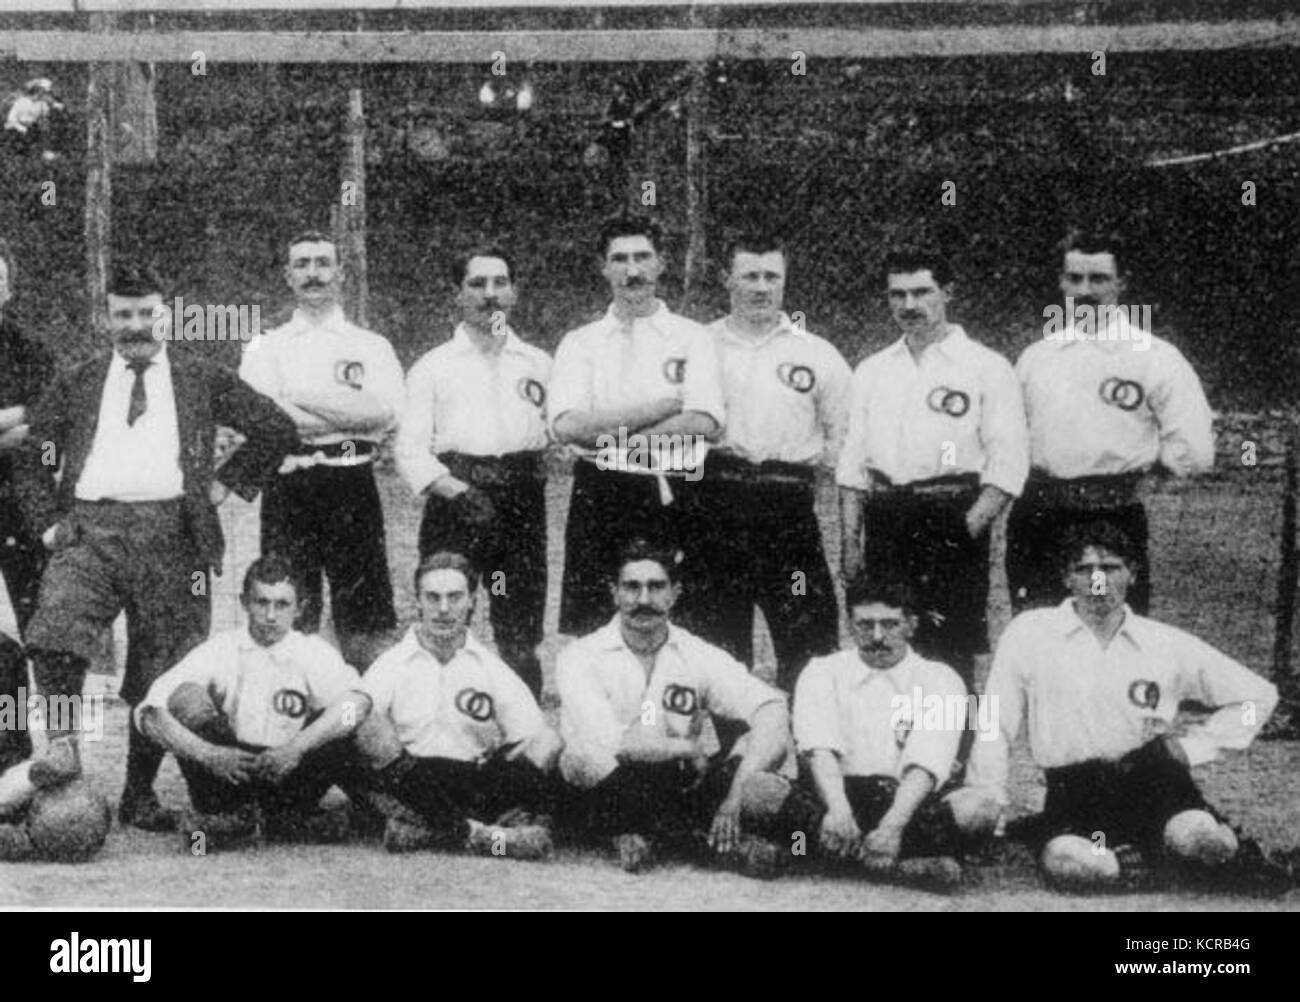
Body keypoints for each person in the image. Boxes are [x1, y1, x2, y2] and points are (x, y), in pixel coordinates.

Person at [13, 261, 297, 832]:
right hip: (89, 531)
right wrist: (47, 524)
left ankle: (138, 793)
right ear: (106, 318)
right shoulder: (79, 378)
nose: (136, 326)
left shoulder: (200, 375)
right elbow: (34, 452)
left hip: (174, 536)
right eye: (124, 315)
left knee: (161, 667)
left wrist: (223, 483)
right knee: (55, 635)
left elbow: (275, 428)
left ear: (165, 315)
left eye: (147, 314)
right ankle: (64, 751)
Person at [962, 521, 1293, 893]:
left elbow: (1257, 697)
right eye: (1084, 570)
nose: (1098, 581)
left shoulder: (1163, 643)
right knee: (1081, 867)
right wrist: (988, 795)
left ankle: (1193, 852)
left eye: (1111, 569)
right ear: (1065, 578)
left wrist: (1194, 747)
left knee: (1206, 841)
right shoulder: (1031, 633)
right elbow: (995, 721)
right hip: (1078, 797)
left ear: (1133, 574)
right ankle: (1140, 860)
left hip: (1154, 785)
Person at [837, 248, 1028, 688]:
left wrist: (965, 530)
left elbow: (1008, 463)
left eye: (922, 292)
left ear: (948, 293)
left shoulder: (986, 367)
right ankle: (887, 750)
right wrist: (850, 543)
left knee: (949, 647)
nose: (909, 305)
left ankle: (952, 754)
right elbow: (852, 465)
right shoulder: (872, 370)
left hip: (951, 515)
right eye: (897, 295)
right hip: (886, 518)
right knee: (883, 641)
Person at [557, 538, 794, 875]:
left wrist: (736, 795)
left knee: (762, 748)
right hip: (610, 787)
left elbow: (771, 706)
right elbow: (613, 743)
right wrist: (684, 746)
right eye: (631, 587)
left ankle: (649, 835)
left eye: (656, 587)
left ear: (675, 592)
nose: (643, 600)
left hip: (677, 783)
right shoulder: (580, 656)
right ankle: (705, 844)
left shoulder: (695, 651)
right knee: (581, 756)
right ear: (614, 592)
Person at [1008, 228, 1214, 614]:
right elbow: (1010, 438)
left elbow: (1193, 447)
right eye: (1074, 278)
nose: (1086, 290)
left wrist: (1144, 477)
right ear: (1061, 283)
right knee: (1037, 633)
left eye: (1099, 278)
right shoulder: (1035, 358)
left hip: (1111, 517)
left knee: (1109, 628)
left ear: (1121, 282)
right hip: (1039, 517)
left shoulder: (1155, 357)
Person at [549, 213, 725, 639]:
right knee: (596, 619)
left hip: (680, 486)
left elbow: (702, 419)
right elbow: (569, 425)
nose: (633, 270)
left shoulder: (693, 337)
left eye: (643, 257)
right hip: (602, 491)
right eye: (620, 259)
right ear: (603, 267)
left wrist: (610, 437)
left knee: (686, 619)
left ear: (662, 263)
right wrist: (661, 406)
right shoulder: (581, 342)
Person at [239, 231, 405, 669]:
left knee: (365, 614)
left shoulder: (371, 345)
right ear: (288, 276)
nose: (313, 273)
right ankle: (295, 715)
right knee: (292, 609)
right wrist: (345, 409)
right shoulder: (265, 345)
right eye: (302, 264)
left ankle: (362, 711)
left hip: (352, 480)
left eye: (322, 263)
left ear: (341, 273)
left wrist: (295, 396)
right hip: (290, 484)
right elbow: (263, 420)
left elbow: (383, 412)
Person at [696, 231, 849, 693]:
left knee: (808, 635)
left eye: (771, 276)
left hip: (788, 512)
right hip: (716, 503)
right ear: (727, 279)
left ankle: (807, 753)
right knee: (720, 640)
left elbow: (843, 438)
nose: (761, 287)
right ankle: (735, 756)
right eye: (750, 276)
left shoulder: (817, 353)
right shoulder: (699, 346)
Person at [396, 248, 551, 696]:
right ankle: (436, 722)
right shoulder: (434, 366)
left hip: (521, 506)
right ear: (458, 294)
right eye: (478, 285)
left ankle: (524, 734)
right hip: (457, 504)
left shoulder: (538, 363)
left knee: (517, 622)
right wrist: (457, 491)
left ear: (514, 292)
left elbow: (560, 431)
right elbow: (409, 448)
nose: (490, 295)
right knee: (446, 612)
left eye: (500, 283)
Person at [134, 556, 370, 849]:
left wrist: (299, 747)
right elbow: (149, 712)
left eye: (282, 605)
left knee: (347, 712)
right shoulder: (222, 647)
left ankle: (265, 822)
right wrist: (208, 754)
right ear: (245, 602)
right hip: (230, 767)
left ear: (299, 609)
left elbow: (357, 705)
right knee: (185, 698)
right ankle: (239, 817)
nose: (271, 615)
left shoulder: (312, 651)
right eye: (262, 602)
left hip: (289, 767)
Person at [787, 576, 993, 888]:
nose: (877, 636)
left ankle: (831, 858)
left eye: (890, 624)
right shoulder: (821, 671)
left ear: (911, 625)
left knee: (980, 808)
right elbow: (820, 751)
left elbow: (926, 763)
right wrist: (839, 811)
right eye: (865, 625)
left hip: (906, 803)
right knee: (757, 791)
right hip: (833, 798)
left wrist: (892, 827)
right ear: (850, 624)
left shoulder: (941, 678)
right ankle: (899, 866)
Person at [357, 551, 563, 859]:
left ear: (471, 602)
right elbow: (358, 718)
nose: (443, 609)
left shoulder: (489, 666)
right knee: (366, 721)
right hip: (412, 779)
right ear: (418, 601)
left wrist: (518, 752)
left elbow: (531, 734)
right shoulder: (392, 663)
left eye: (454, 597)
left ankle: (429, 832)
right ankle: (482, 836)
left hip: (472, 780)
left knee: (549, 739)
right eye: (433, 597)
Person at [0, 238, 55, 637]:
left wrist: (23, 417)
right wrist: (13, 418)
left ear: (8, 290)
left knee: (37, 614)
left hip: (18, 498)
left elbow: (46, 423)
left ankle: (43, 699)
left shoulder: (32, 352)